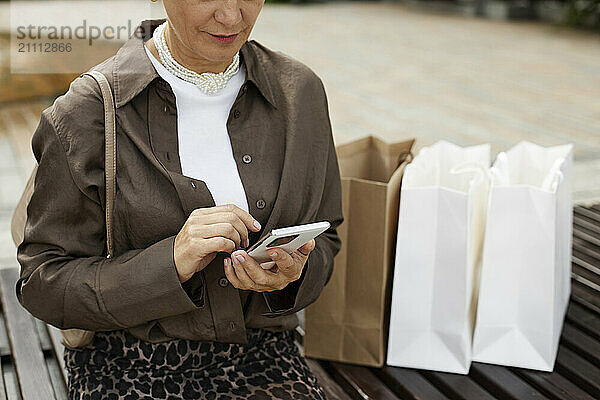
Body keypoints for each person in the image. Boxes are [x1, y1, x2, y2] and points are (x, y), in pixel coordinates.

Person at [15, 0, 343, 398]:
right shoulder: (87, 113)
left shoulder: (300, 93)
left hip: (263, 356)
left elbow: (326, 236)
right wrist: (170, 261)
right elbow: (43, 283)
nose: (230, 17)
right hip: (127, 363)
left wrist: (293, 276)